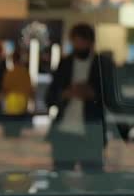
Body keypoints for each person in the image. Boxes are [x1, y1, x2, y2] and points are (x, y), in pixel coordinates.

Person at [45, 23, 113, 172]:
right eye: (76, 41)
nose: (79, 45)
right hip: (65, 131)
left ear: (90, 42)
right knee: (60, 174)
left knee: (93, 174)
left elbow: (111, 97)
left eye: (83, 41)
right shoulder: (65, 64)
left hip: (91, 130)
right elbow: (50, 96)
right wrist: (65, 93)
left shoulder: (101, 65)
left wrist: (92, 94)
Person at [0, 50, 34, 138]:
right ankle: (16, 133)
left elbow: (5, 88)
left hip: (11, 99)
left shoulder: (10, 73)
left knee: (11, 119)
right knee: (18, 120)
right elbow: (30, 88)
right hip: (23, 99)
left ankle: (11, 133)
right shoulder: (25, 73)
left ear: (13, 60)